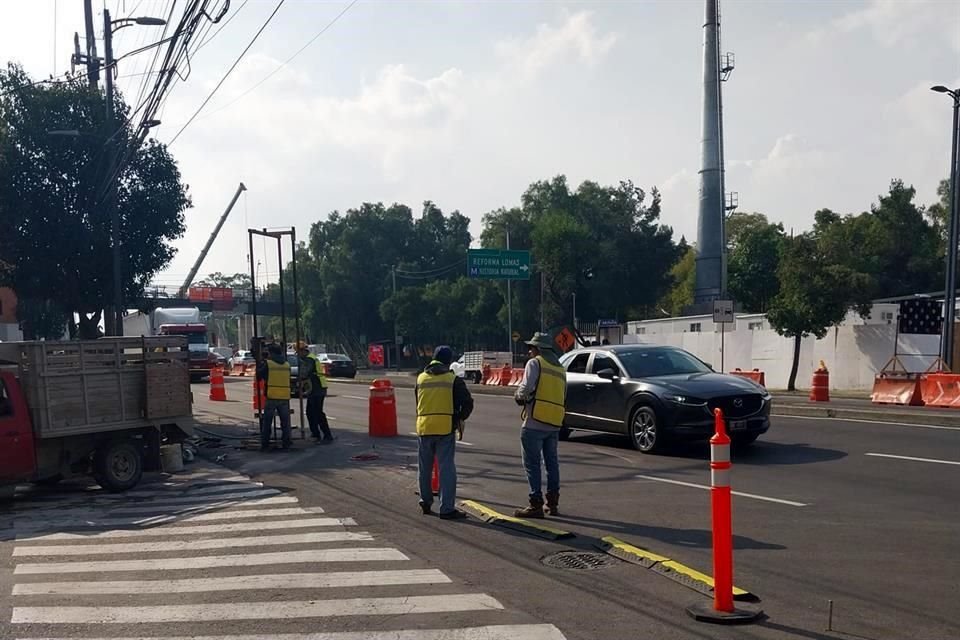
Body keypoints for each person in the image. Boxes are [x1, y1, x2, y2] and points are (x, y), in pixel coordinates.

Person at [415, 345, 473, 520]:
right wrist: (459, 418)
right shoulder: (453, 380)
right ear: (449, 362)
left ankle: (425, 501)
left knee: (424, 468)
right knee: (446, 468)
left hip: (424, 427)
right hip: (444, 428)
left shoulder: (421, 378)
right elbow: (468, 403)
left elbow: (418, 402)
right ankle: (446, 508)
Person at [514, 332, 567, 518]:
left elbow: (526, 388)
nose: (529, 351)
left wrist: (519, 396)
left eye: (531, 348)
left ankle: (535, 504)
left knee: (532, 464)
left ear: (538, 349)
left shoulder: (535, 363)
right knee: (552, 464)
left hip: (534, 422)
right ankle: (552, 503)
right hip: (554, 423)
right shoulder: (560, 369)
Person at [256, 343, 292, 451]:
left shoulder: (269, 364)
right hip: (284, 396)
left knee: (267, 422)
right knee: (285, 422)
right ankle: (286, 443)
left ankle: (265, 444)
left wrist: (260, 363)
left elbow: (259, 376)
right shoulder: (287, 364)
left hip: (272, 395)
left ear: (271, 353)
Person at [297, 343, 334, 444]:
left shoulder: (309, 359)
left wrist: (298, 378)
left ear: (303, 351)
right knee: (310, 412)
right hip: (314, 388)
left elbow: (305, 373)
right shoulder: (310, 357)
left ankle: (327, 435)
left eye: (298, 352)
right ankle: (315, 433)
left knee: (317, 413)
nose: (298, 355)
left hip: (317, 388)